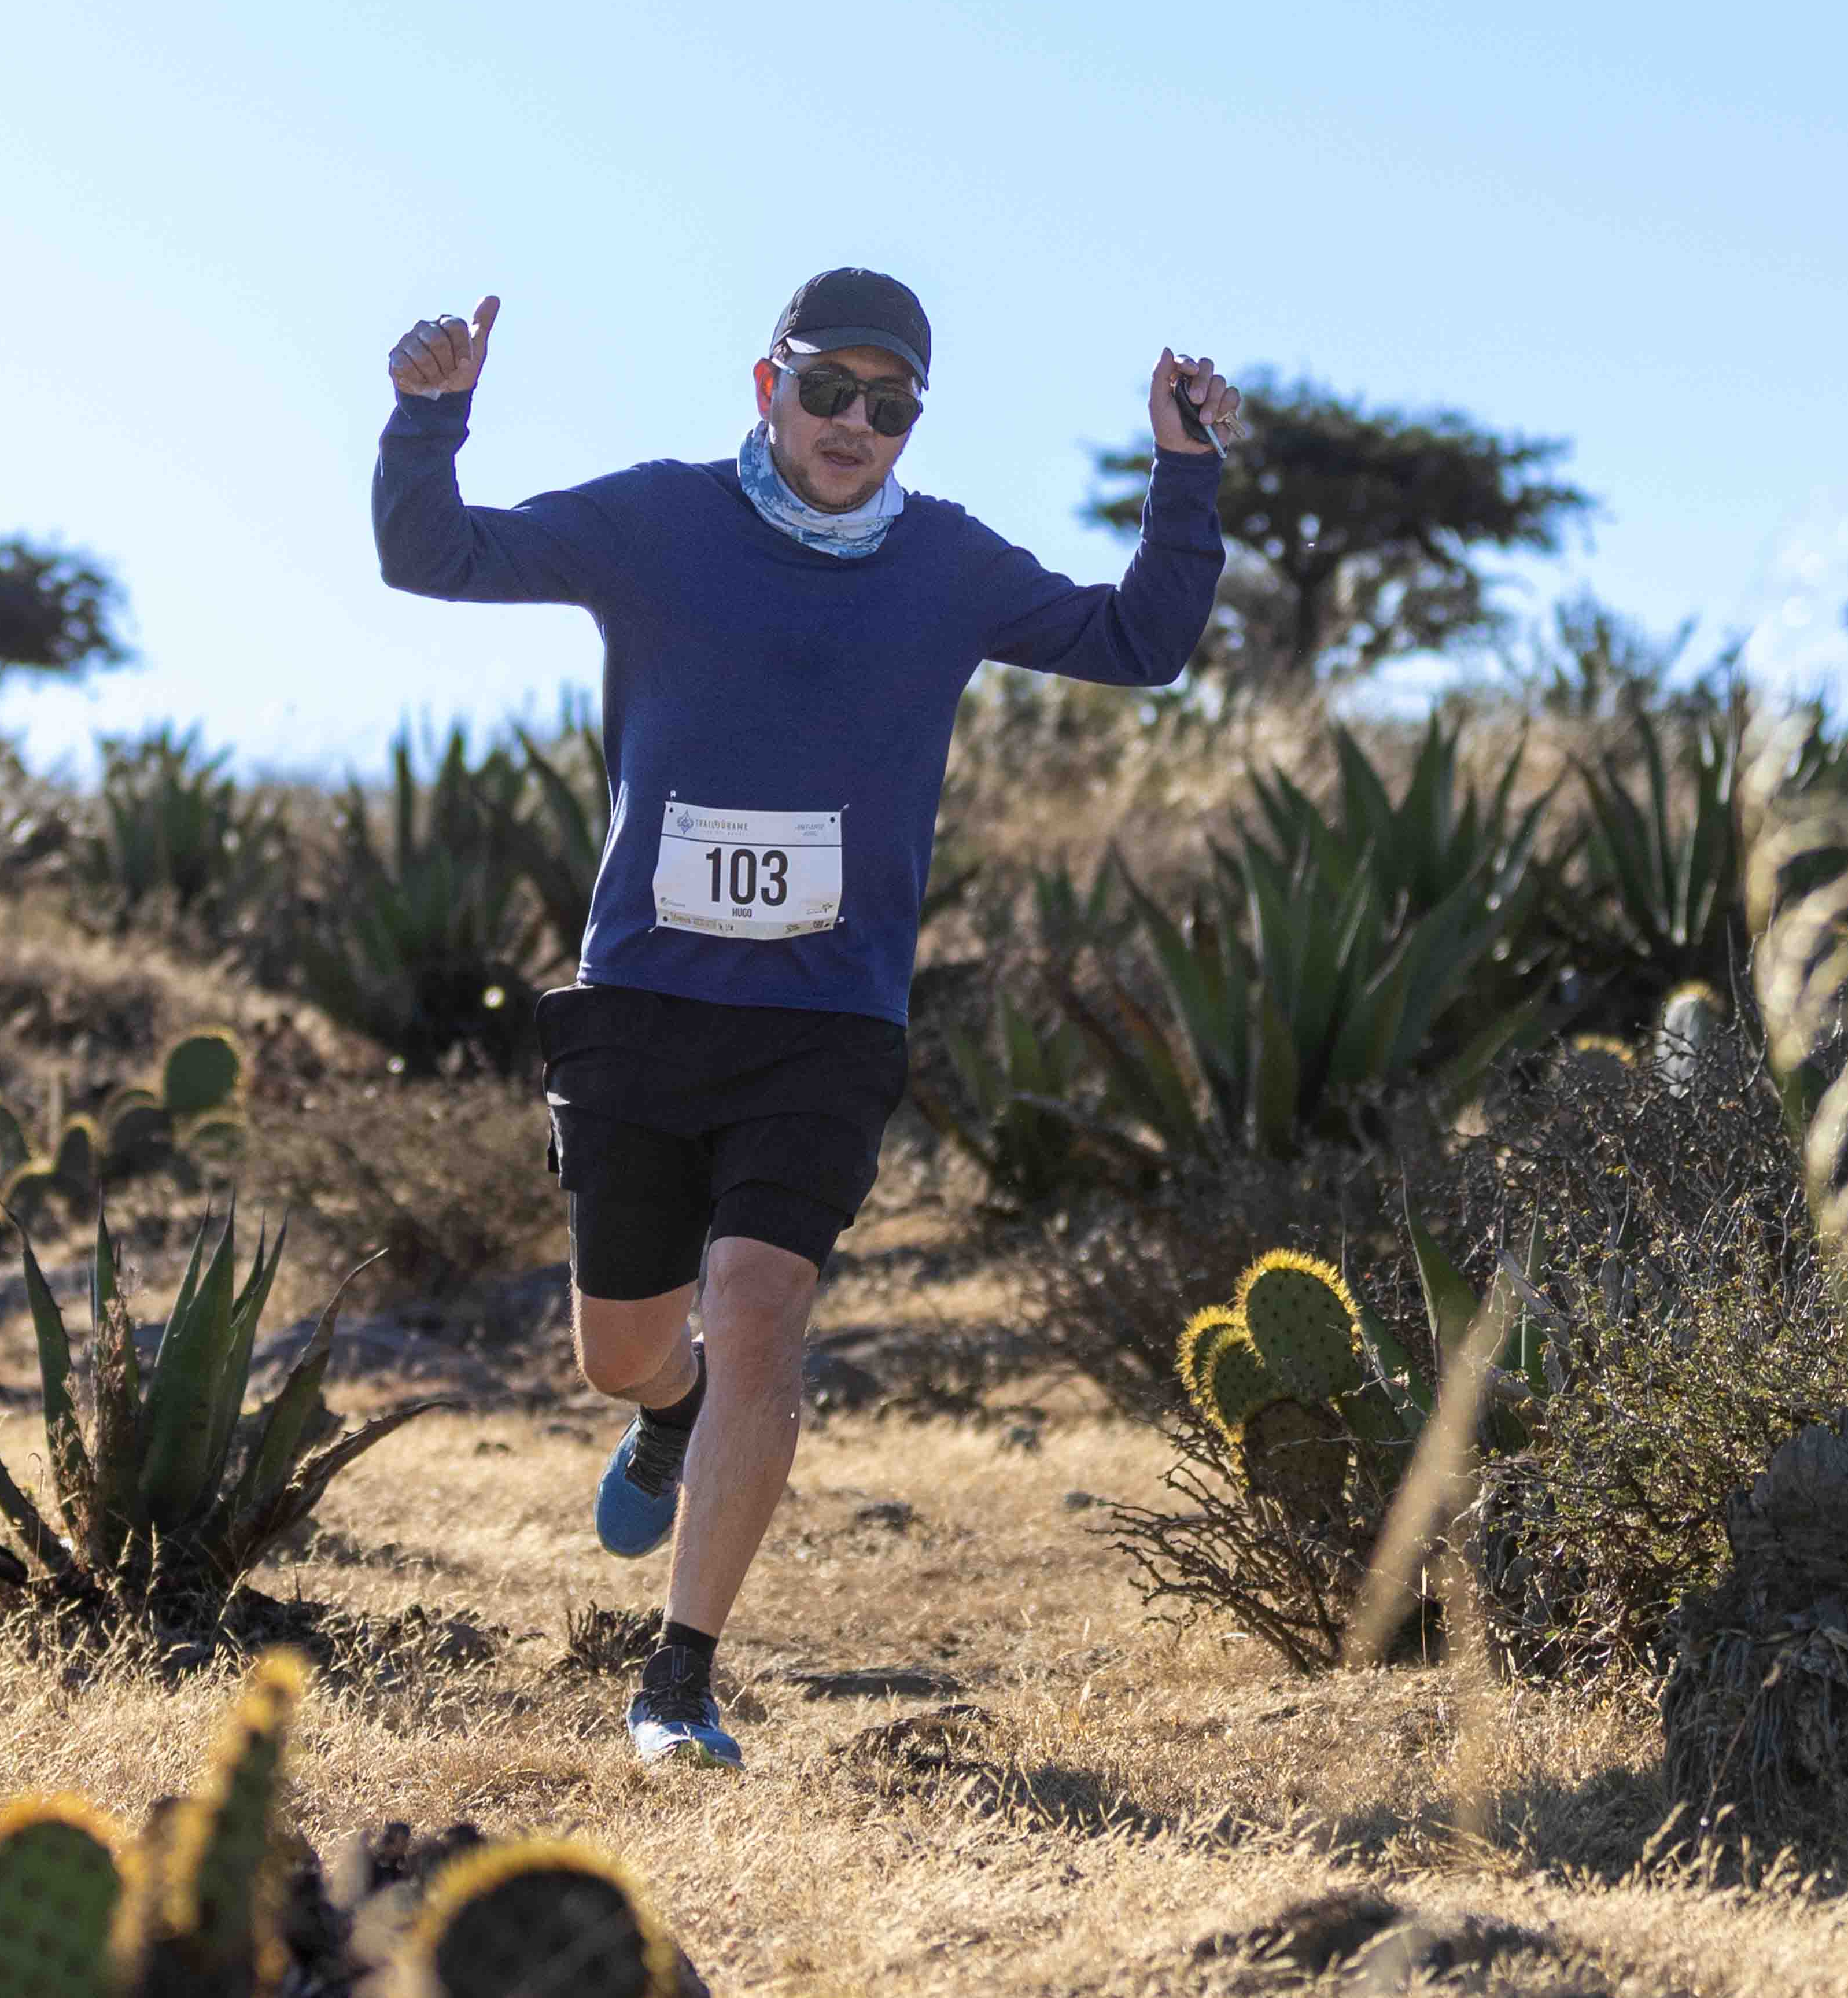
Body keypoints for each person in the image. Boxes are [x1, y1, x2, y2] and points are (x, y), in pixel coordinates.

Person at [375, 268, 1236, 1769]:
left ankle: (679, 1682)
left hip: (827, 1019)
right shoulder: (659, 522)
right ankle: (671, 1408)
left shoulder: (948, 564)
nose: (855, 424)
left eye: (889, 405)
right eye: (829, 389)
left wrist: (1186, 470)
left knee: (764, 1300)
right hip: (646, 1000)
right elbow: (432, 556)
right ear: (768, 386)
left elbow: (1138, 643)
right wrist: (427, 418)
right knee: (619, 1349)